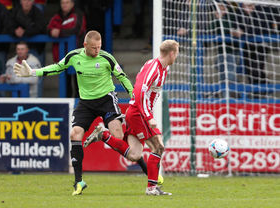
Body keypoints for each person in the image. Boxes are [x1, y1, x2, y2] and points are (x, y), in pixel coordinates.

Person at [12, 30, 148, 196]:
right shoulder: (74, 56)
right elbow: (57, 68)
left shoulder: (107, 58)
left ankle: (144, 167)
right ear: (85, 45)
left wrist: (134, 96)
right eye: (93, 48)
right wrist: (33, 72)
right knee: (75, 134)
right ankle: (78, 182)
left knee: (118, 137)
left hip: (106, 100)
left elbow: (123, 77)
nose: (97, 51)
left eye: (99, 47)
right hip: (86, 102)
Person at [84, 39, 179, 196]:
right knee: (158, 146)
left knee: (135, 155)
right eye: (176, 53)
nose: (176, 57)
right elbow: (140, 92)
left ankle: (104, 135)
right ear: (171, 53)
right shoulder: (153, 68)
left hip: (137, 113)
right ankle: (152, 189)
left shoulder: (163, 69)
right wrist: (149, 117)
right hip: (138, 113)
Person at [48, 0, 86, 97]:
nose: (64, 5)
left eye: (67, 2)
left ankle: (80, 108)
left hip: (78, 55)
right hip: (62, 56)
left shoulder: (78, 14)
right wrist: (51, 32)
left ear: (72, 4)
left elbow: (78, 30)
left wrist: (60, 32)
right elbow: (48, 28)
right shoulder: (56, 17)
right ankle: (66, 108)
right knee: (65, 84)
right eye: (62, 3)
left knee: (79, 84)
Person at [10, 0, 46, 65]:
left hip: (36, 48)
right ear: (20, 1)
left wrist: (25, 32)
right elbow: (8, 25)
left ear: (33, 2)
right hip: (19, 48)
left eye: (29, 0)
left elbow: (41, 28)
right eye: (24, 0)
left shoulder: (38, 12)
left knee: (38, 73)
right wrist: (15, 30)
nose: (26, 2)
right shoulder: (14, 11)